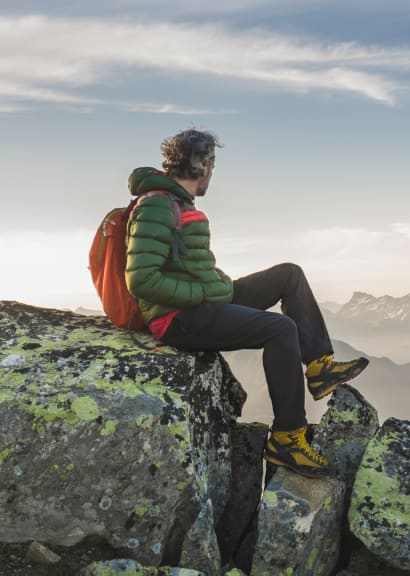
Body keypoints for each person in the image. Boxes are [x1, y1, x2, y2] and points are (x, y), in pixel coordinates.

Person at [125, 128, 368, 478]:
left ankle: (318, 368)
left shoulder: (176, 203)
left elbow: (189, 266)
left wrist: (217, 285)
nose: (212, 172)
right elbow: (141, 280)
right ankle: (286, 438)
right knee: (280, 330)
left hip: (206, 298)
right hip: (178, 318)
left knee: (290, 274)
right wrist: (204, 293)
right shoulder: (156, 207)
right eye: (212, 164)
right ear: (204, 165)